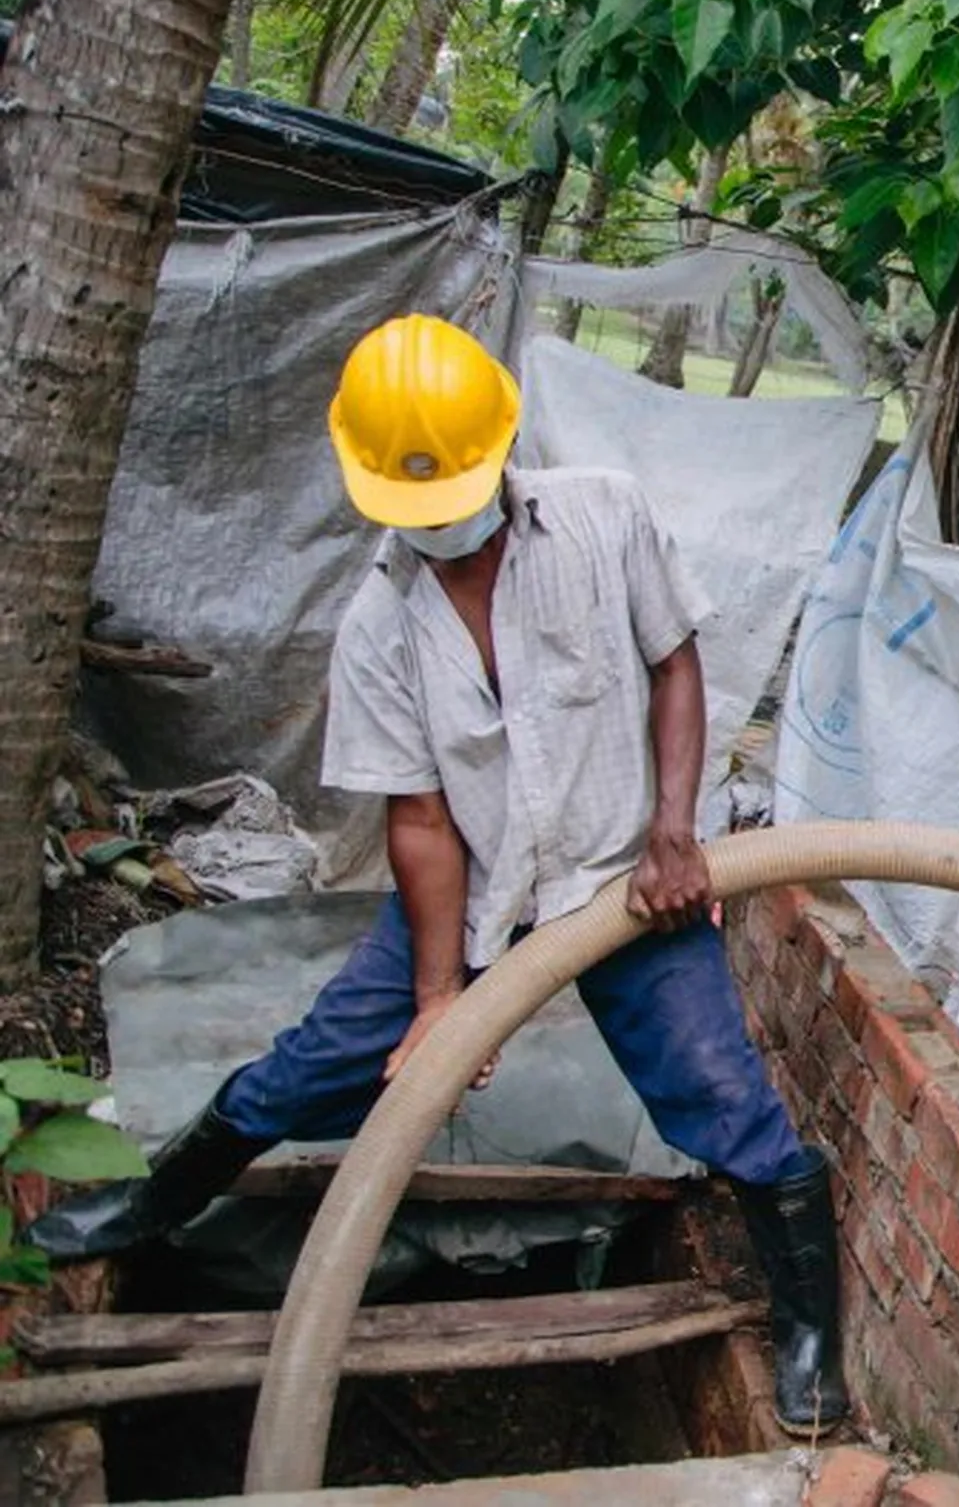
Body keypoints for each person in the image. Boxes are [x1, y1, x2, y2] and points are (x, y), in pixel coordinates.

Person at [27, 316, 848, 1430]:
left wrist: (673, 830)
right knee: (307, 1071)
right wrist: (438, 1001)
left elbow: (674, 661)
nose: (450, 536)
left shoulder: (604, 515)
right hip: (474, 895)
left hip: (622, 882)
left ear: (501, 449)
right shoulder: (380, 622)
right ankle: (150, 1204)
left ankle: (805, 1333)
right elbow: (419, 817)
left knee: (722, 1098)